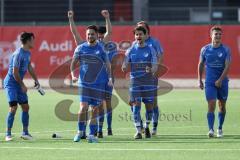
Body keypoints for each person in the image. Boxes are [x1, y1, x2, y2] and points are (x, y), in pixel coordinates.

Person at [70, 25, 113, 143]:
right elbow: (73, 63)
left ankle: (91, 135)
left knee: (95, 109)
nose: (90, 36)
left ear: (96, 35)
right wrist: (73, 75)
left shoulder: (101, 48)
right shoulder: (80, 48)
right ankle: (80, 132)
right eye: (88, 34)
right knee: (83, 107)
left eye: (92, 34)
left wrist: (109, 77)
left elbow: (108, 64)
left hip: (98, 84)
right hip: (84, 83)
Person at [3, 32, 41, 141]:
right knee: (13, 107)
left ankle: (25, 133)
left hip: (18, 83)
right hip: (11, 84)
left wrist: (36, 80)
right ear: (28, 41)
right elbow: (15, 73)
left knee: (25, 107)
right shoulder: (18, 54)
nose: (34, 42)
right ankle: (8, 134)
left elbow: (29, 67)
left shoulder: (28, 53)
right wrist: (22, 85)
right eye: (32, 40)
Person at [122, 26, 158, 139]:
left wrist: (151, 69)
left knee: (149, 107)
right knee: (135, 106)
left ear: (145, 36)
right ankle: (138, 130)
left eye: (140, 34)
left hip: (148, 82)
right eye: (136, 34)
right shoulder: (130, 50)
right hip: (135, 81)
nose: (138, 36)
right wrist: (124, 66)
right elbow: (125, 63)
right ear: (134, 36)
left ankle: (146, 126)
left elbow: (155, 65)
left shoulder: (151, 49)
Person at [198, 25, 231, 138]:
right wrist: (199, 80)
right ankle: (211, 129)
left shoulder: (226, 49)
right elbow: (201, 64)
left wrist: (221, 79)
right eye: (215, 34)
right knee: (211, 105)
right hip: (210, 82)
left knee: (222, 106)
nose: (218, 36)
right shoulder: (205, 49)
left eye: (220, 34)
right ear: (211, 35)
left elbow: (227, 66)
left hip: (223, 82)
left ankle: (220, 128)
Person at [133, 21, 164, 135]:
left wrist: (155, 71)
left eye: (142, 29)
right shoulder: (134, 44)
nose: (139, 32)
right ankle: (139, 125)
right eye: (138, 29)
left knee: (153, 102)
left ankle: (153, 127)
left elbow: (160, 57)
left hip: (150, 77)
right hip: (137, 78)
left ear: (147, 31)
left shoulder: (154, 42)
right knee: (134, 102)